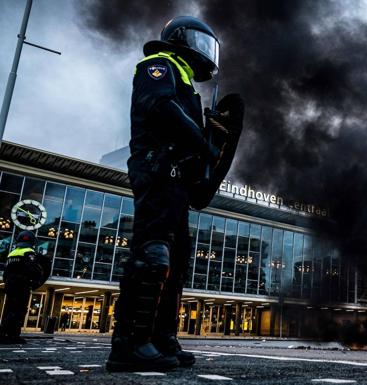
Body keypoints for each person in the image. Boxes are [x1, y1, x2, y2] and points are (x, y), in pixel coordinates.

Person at [106, 16, 244, 372]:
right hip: (156, 167)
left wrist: (214, 139)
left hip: (178, 178)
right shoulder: (159, 65)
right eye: (199, 41)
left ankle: (162, 337)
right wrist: (202, 141)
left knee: (177, 260)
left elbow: (185, 127)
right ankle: (130, 343)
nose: (204, 51)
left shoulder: (185, 81)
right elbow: (160, 108)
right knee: (152, 252)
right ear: (180, 38)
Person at [0, 230, 51, 344]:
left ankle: (9, 334)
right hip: (21, 284)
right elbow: (34, 270)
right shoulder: (28, 253)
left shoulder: (12, 253)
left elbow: (6, 272)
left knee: (9, 309)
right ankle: (8, 334)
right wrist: (35, 282)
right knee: (19, 309)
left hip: (10, 284)